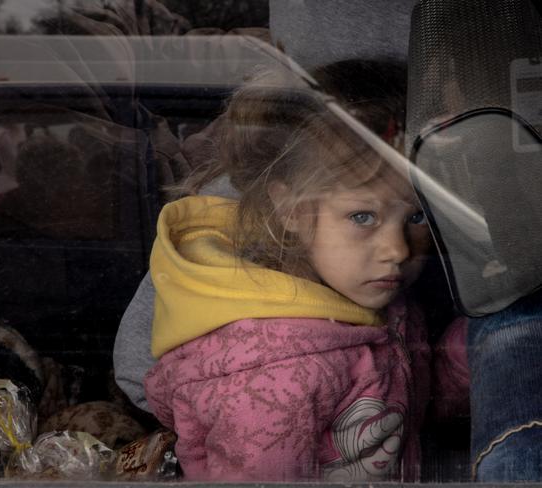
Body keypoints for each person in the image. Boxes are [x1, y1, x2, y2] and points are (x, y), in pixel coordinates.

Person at [141, 69, 434, 481]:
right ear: (292, 209)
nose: (398, 249)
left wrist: (468, 358)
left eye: (417, 216)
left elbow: (405, 389)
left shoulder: (377, 299)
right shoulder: (273, 383)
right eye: (362, 216)